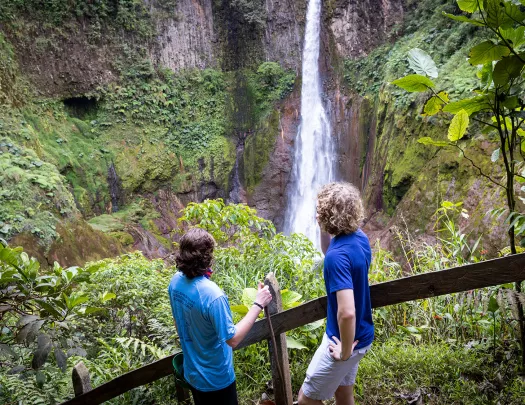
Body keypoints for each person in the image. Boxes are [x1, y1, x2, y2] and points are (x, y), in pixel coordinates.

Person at [168, 227, 272, 405]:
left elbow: (178, 323)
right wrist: (258, 304)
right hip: (216, 379)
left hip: (192, 372)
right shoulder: (213, 295)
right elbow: (232, 339)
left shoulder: (175, 282)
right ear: (207, 257)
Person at [298, 182, 374, 405]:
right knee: (343, 393)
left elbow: (347, 312)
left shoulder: (337, 257)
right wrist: (324, 229)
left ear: (325, 215)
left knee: (305, 399)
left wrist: (344, 352)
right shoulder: (359, 239)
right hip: (362, 334)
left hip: (342, 341)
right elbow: (330, 251)